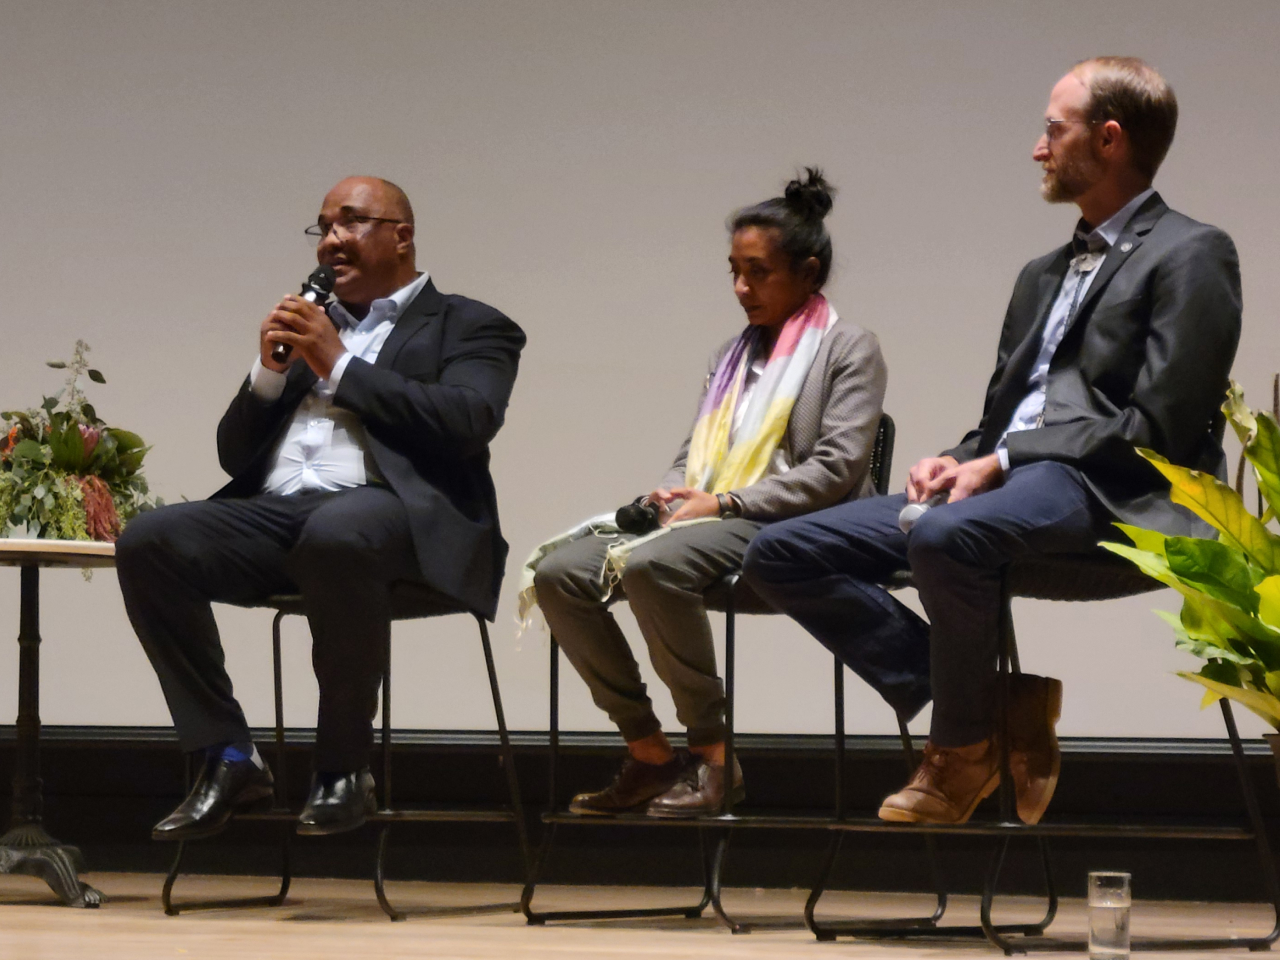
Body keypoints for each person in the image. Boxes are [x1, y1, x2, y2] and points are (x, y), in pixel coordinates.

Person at [744, 58, 1241, 825]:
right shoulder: (1041, 274)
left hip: (1118, 490)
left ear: (1109, 139)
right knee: (780, 552)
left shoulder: (1192, 252)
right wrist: (959, 455)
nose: (1038, 148)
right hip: (1020, 484)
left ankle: (960, 753)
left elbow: (1158, 428)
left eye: (1054, 130)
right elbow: (1002, 418)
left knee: (947, 536)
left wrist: (1004, 459)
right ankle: (1001, 703)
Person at [115, 176, 525, 839]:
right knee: (150, 540)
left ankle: (343, 769)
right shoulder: (312, 326)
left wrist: (339, 365)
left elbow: (466, 420)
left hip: (397, 518)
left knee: (339, 532)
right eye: (324, 227)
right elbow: (234, 457)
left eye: (350, 222)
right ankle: (228, 755)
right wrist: (270, 372)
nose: (332, 239)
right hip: (284, 517)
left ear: (401, 236)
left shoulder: (470, 324)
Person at [529, 169, 889, 817]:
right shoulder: (731, 355)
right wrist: (668, 495)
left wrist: (723, 504)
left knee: (654, 565)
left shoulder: (849, 348)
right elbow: (695, 457)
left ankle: (715, 757)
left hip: (802, 526)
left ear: (808, 273)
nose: (741, 288)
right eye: (734, 272)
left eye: (758, 273)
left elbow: (836, 470)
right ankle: (648, 754)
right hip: (715, 519)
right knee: (558, 574)